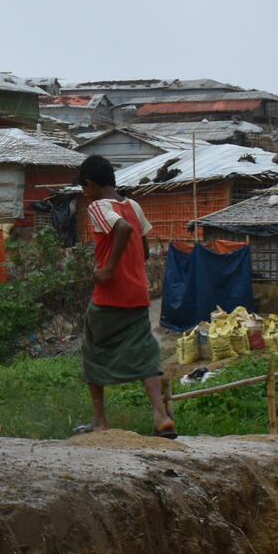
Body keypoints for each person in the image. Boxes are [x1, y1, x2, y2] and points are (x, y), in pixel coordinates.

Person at [76, 154, 176, 437]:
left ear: (90, 184)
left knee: (94, 352)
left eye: (84, 190)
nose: (85, 195)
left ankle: (99, 422)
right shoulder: (133, 205)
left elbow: (123, 228)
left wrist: (108, 268)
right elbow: (142, 248)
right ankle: (160, 416)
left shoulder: (98, 206)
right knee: (145, 353)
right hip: (138, 294)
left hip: (109, 296)